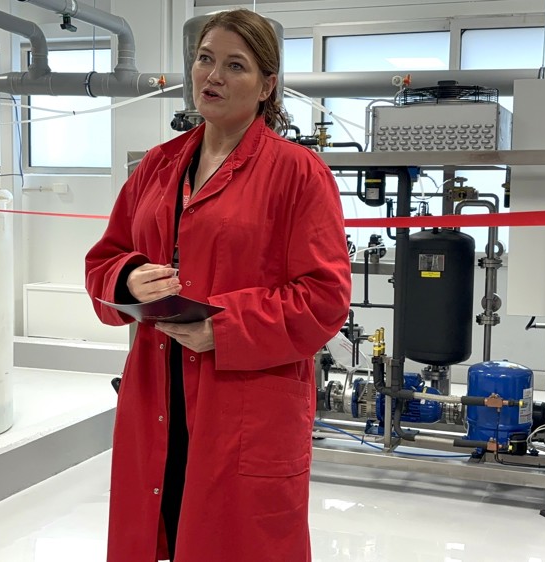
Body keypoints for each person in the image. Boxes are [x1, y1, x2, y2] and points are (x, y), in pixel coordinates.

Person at [85, 8, 352, 562]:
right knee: (160, 524)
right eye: (206, 59)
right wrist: (130, 279)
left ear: (267, 85)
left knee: (236, 540)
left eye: (236, 65)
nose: (214, 76)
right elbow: (103, 261)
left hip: (244, 399)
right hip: (157, 387)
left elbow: (324, 298)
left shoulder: (298, 173)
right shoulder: (157, 168)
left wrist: (223, 329)